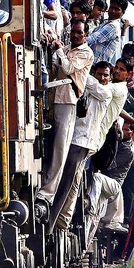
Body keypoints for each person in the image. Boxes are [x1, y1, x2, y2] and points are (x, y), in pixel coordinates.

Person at [49, 61, 113, 231]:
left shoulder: (105, 92)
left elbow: (87, 81)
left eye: (105, 75)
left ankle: (51, 222)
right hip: (72, 137)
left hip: (82, 141)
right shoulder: (86, 86)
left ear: (110, 78)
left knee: (66, 181)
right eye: (99, 74)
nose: (101, 78)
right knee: (68, 180)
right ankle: (58, 220)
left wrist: (78, 69)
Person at [38, 20, 93, 205]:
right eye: (73, 32)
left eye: (79, 32)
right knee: (50, 144)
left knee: (60, 147)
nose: (75, 35)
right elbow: (56, 68)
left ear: (85, 34)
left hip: (68, 100)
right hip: (53, 97)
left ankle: (48, 192)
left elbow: (68, 68)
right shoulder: (68, 48)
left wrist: (60, 50)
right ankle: (43, 183)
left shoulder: (86, 53)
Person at [86, 0, 128, 65]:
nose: (113, 11)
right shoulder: (105, 23)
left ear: (122, 12)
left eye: (117, 9)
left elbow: (94, 38)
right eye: (112, 8)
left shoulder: (113, 26)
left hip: (96, 67)